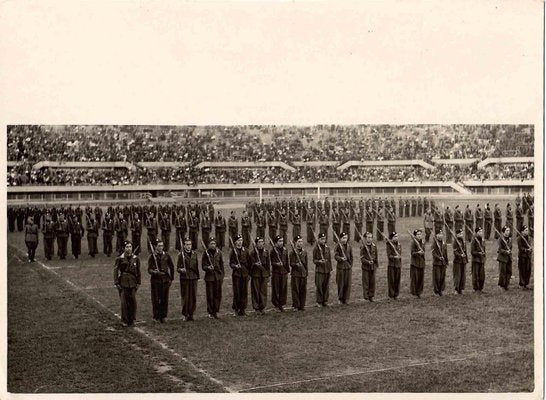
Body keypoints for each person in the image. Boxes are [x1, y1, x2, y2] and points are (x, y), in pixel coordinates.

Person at [114, 241, 141, 327]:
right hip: (123, 282)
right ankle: (125, 320)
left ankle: (132, 319)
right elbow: (116, 271)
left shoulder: (136, 258)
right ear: (124, 248)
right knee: (124, 302)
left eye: (130, 247)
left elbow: (138, 271)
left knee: (133, 301)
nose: (129, 249)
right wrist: (116, 282)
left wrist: (138, 282)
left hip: (132, 282)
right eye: (127, 247)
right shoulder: (119, 258)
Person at [148, 240, 174, 323]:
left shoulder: (166, 255)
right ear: (155, 247)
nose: (160, 247)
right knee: (155, 299)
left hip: (165, 280)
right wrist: (154, 272)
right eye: (159, 246)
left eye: (162, 246)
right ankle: (156, 316)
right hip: (156, 281)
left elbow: (171, 267)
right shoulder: (152, 256)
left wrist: (171, 278)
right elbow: (149, 269)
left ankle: (163, 315)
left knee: (164, 299)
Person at [177, 237, 199, 321]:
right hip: (185, 278)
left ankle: (191, 313)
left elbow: (196, 266)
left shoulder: (194, 254)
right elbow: (178, 268)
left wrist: (197, 277)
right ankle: (185, 314)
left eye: (190, 244)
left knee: (193, 296)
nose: (189, 246)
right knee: (186, 296)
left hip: (193, 277)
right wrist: (181, 270)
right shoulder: (181, 255)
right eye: (187, 244)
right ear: (184, 245)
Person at [202, 237, 224, 319]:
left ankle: (216, 311)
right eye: (211, 244)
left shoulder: (219, 252)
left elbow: (221, 265)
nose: (213, 245)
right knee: (210, 295)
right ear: (208, 245)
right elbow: (203, 266)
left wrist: (222, 276)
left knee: (217, 295)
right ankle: (210, 312)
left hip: (217, 277)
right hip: (209, 278)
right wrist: (208, 267)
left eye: (214, 243)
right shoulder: (206, 253)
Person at [229, 234, 250, 316]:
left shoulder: (246, 250)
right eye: (238, 241)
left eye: (241, 240)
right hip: (237, 274)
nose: (240, 242)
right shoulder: (233, 251)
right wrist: (235, 266)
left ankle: (243, 309)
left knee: (244, 292)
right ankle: (236, 309)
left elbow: (249, 263)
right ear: (235, 242)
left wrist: (248, 273)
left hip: (244, 273)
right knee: (237, 292)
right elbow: (231, 263)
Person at [249, 236, 270, 314]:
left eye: (262, 242)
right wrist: (255, 264)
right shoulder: (253, 253)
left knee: (263, 291)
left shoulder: (266, 252)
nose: (261, 244)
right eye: (259, 242)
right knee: (256, 291)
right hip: (256, 274)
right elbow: (250, 264)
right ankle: (256, 307)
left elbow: (268, 264)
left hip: (264, 274)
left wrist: (268, 275)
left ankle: (262, 307)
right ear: (256, 244)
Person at [270, 235, 289, 312]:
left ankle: (281, 304)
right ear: (276, 243)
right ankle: (276, 304)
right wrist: (277, 264)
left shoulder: (285, 250)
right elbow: (272, 262)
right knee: (276, 289)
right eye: (279, 241)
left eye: (282, 241)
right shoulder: (273, 251)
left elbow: (287, 261)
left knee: (283, 288)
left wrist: (287, 270)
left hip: (284, 272)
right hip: (276, 272)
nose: (281, 243)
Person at [289, 235, 308, 311]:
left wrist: (306, 272)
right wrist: (296, 264)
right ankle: (296, 305)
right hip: (296, 273)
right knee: (295, 289)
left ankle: (302, 305)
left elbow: (306, 263)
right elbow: (291, 263)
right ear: (295, 243)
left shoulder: (304, 252)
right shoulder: (292, 252)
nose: (300, 243)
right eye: (299, 241)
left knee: (303, 289)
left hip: (303, 273)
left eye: (301, 241)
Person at [313, 232, 332, 307]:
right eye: (322, 239)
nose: (323, 241)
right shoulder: (316, 249)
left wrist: (330, 269)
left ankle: (325, 300)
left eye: (324, 239)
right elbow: (314, 260)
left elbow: (329, 259)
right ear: (318, 240)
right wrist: (319, 261)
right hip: (320, 270)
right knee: (319, 286)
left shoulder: (327, 248)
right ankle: (319, 301)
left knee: (326, 286)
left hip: (327, 269)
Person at [334, 232, 353, 304]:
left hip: (347, 267)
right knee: (340, 283)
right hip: (341, 267)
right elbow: (335, 256)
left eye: (346, 238)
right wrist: (341, 258)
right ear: (340, 238)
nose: (345, 239)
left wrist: (350, 264)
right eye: (343, 238)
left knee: (347, 283)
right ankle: (340, 298)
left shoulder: (349, 246)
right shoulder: (338, 246)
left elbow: (351, 256)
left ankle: (346, 298)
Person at [361, 231, 378, 301]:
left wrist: (376, 264)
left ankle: (371, 296)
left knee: (372, 282)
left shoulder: (374, 246)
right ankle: (366, 296)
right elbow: (362, 258)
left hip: (373, 267)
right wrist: (368, 262)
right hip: (366, 267)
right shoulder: (363, 247)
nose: (370, 239)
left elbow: (376, 256)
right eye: (368, 237)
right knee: (366, 282)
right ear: (365, 238)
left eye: (371, 237)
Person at [432, 230, 448, 296]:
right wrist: (439, 258)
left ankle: (441, 290)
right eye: (439, 234)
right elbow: (433, 253)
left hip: (443, 263)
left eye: (441, 234)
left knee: (442, 277)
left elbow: (445, 253)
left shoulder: (444, 243)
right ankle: (436, 290)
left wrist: (446, 261)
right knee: (437, 277)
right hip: (437, 263)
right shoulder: (434, 243)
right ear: (436, 235)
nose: (441, 235)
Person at [410, 229, 425, 298]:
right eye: (418, 234)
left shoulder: (422, 242)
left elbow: (423, 251)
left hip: (421, 262)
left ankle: (419, 292)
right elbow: (412, 253)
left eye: (420, 234)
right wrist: (418, 253)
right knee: (415, 278)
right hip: (415, 263)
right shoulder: (413, 243)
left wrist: (422, 252)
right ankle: (414, 292)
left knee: (420, 278)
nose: (419, 236)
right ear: (415, 236)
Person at [386, 232, 402, 300]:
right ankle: (391, 294)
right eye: (395, 236)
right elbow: (389, 255)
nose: (396, 238)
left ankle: (396, 294)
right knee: (391, 280)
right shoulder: (389, 245)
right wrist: (394, 257)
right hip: (392, 265)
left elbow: (400, 254)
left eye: (397, 236)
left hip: (398, 264)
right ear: (391, 238)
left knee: (397, 280)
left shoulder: (399, 244)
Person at [471, 227, 486, 292]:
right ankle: (476, 288)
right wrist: (478, 253)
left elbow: (484, 249)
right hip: (476, 260)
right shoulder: (474, 240)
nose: (481, 233)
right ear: (476, 233)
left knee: (482, 275)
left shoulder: (482, 240)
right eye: (479, 232)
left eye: (481, 232)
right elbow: (472, 251)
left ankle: (481, 288)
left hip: (481, 260)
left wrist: (484, 255)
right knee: (476, 275)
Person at [452, 228, 468, 294]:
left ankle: (461, 288)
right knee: (457, 275)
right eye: (460, 234)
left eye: (462, 233)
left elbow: (465, 251)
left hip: (463, 261)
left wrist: (466, 259)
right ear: (457, 234)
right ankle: (456, 289)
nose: (461, 235)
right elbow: (455, 252)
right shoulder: (455, 242)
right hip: (457, 261)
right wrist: (460, 255)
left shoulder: (463, 241)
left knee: (463, 275)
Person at [497, 226, 512, 290]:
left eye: (509, 230)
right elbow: (500, 249)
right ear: (503, 232)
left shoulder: (510, 239)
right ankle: (501, 285)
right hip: (502, 258)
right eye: (506, 231)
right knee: (502, 272)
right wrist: (506, 252)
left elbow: (511, 247)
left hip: (509, 258)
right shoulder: (500, 239)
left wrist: (509, 251)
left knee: (509, 272)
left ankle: (506, 285)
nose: (508, 232)